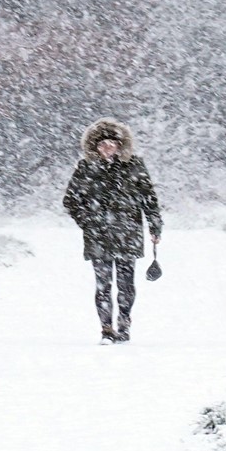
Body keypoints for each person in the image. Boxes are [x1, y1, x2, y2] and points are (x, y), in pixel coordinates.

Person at [61, 118, 163, 344]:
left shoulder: (134, 165)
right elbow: (71, 200)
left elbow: (149, 198)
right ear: (95, 146)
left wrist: (155, 225)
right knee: (103, 285)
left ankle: (124, 324)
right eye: (102, 144)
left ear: (119, 145)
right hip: (98, 236)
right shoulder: (86, 167)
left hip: (128, 233)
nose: (107, 148)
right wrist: (87, 221)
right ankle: (106, 329)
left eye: (111, 143)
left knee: (126, 284)